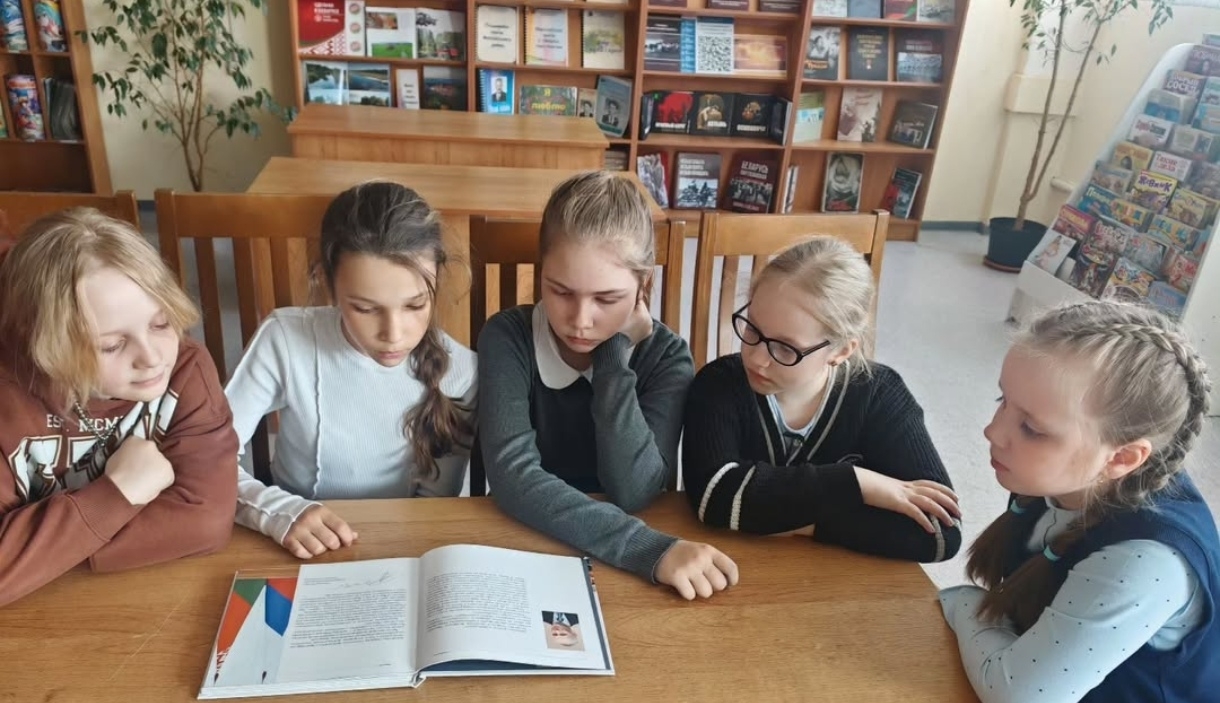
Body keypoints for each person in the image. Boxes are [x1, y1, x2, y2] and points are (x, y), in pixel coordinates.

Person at [940, 301, 1220, 703]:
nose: (993, 432)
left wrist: (963, 601)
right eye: (1002, 400)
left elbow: (1019, 701)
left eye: (1032, 428)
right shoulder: (1066, 475)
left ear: (1123, 457)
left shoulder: (1145, 561)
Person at [478, 171, 738, 600]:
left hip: (615, 561)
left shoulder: (668, 357)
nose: (580, 321)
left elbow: (633, 490)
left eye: (606, 299)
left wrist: (613, 359)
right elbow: (512, 478)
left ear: (644, 286)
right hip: (527, 537)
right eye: (560, 292)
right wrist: (648, 549)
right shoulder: (508, 337)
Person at [0, 208, 239, 606]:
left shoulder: (185, 367)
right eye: (111, 345)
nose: (152, 357)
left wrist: (36, 552)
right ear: (44, 342)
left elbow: (207, 521)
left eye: (161, 324)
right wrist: (119, 493)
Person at [225, 181, 476, 560]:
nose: (394, 334)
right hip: (292, 544)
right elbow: (204, 457)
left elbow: (433, 508)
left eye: (414, 305)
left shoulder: (461, 372)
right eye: (365, 308)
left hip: (397, 547)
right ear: (328, 284)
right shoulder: (285, 340)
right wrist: (278, 512)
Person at [683, 238, 961, 562]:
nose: (757, 359)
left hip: (837, 585)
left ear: (841, 351)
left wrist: (783, 516)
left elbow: (940, 534)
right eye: (752, 330)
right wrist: (858, 483)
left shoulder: (880, 394)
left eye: (786, 348)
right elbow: (714, 497)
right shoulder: (719, 383)